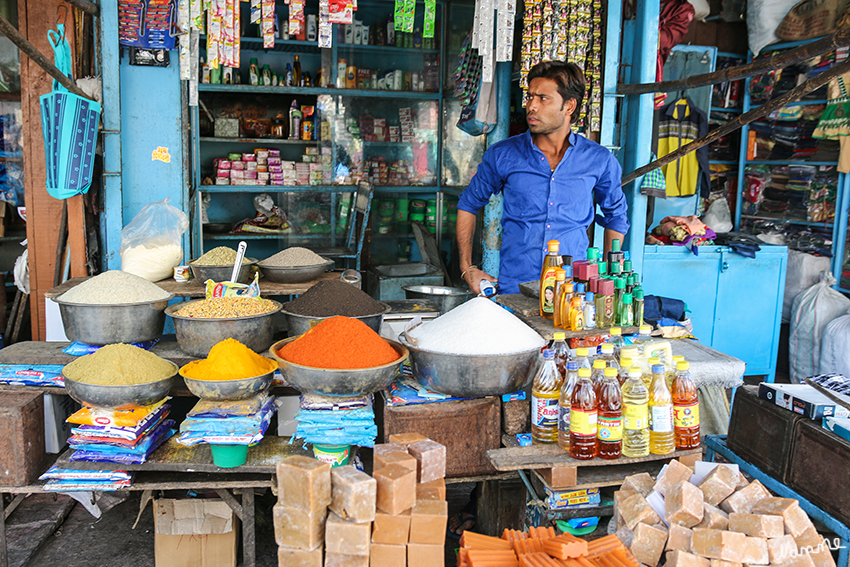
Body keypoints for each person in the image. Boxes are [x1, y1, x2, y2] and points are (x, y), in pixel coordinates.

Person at [457, 61, 630, 295]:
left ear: (569, 106)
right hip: (515, 290)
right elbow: (469, 203)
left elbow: (616, 216)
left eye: (543, 98)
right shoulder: (504, 154)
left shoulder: (598, 160)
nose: (531, 106)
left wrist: (610, 282)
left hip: (573, 292)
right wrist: (467, 267)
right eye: (530, 97)